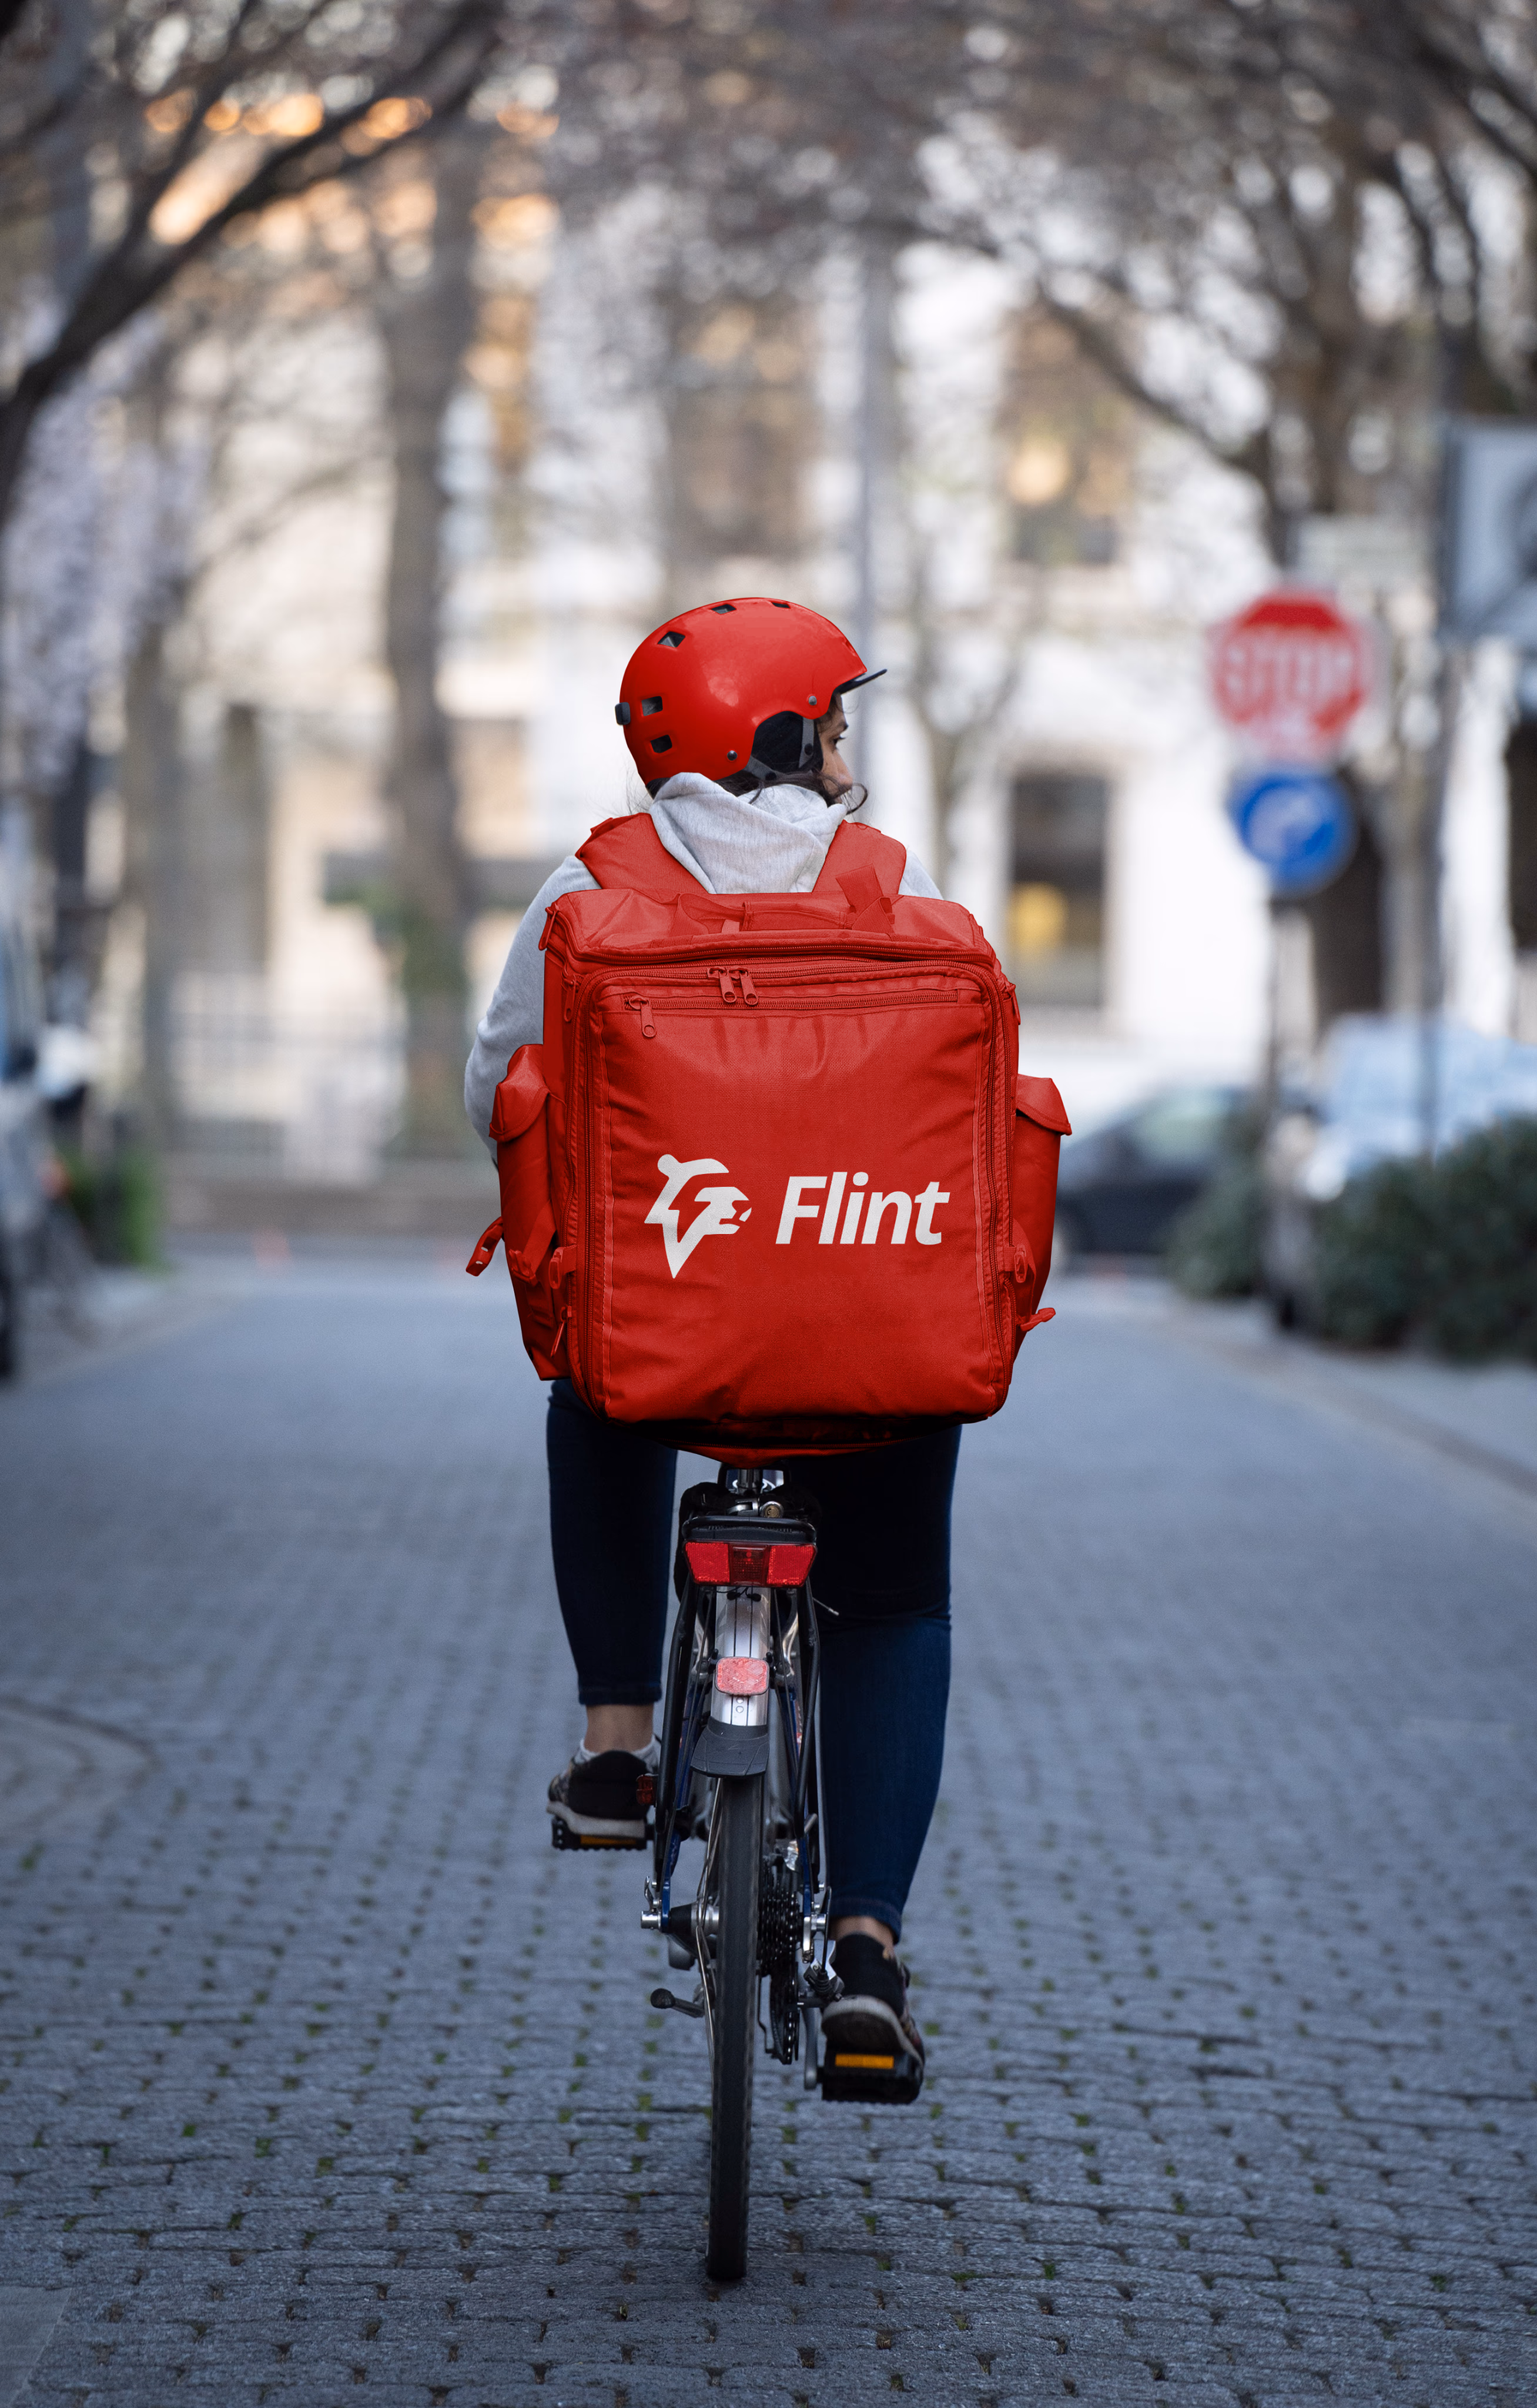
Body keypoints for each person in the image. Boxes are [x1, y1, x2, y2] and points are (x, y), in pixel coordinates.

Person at [464, 598, 957, 2085]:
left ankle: (621, 1739)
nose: (852, 751)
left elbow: (498, 1083)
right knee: (890, 1599)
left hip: (660, 1338)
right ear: (792, 735)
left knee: (590, 1390)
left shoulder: (585, 886)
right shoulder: (893, 883)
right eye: (840, 720)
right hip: (868, 1340)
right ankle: (865, 1939)